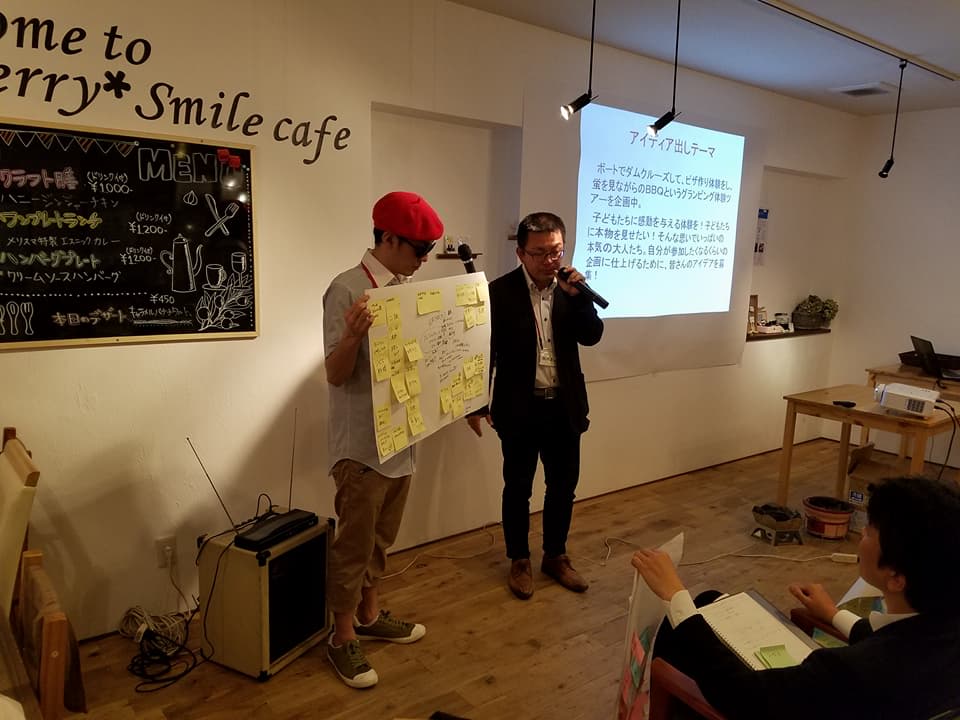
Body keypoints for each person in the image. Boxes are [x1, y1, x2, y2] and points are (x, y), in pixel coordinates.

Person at [632, 475, 960, 720]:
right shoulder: (942, 629)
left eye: (871, 531)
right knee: (712, 600)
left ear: (897, 578)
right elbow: (899, 642)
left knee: (678, 631)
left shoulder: (850, 672)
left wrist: (675, 594)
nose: (862, 533)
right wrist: (833, 614)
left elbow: (742, 696)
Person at [322, 191, 443, 689]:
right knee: (353, 545)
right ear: (388, 238)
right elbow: (334, 374)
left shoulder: (404, 290)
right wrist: (352, 336)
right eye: (419, 249)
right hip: (362, 448)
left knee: (380, 539)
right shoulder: (347, 289)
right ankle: (341, 636)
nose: (424, 259)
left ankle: (369, 615)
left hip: (402, 438)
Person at [468, 212, 603, 600]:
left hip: (564, 405)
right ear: (520, 253)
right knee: (518, 488)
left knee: (563, 487)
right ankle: (519, 559)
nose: (550, 260)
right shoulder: (499, 293)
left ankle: (555, 556)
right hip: (519, 408)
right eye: (540, 253)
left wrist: (580, 300)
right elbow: (484, 352)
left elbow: (592, 336)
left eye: (556, 251)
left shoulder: (572, 290)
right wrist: (476, 404)